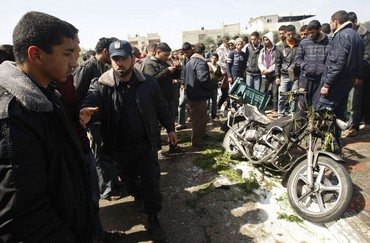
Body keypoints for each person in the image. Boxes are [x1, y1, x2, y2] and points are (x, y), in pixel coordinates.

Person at [0, 11, 94, 242]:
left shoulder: (49, 94)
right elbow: (24, 218)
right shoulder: (13, 117)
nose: (74, 63)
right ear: (36, 55)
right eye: (67, 54)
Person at [80, 39, 176, 241]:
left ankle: (153, 218)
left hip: (145, 144)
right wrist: (86, 109)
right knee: (130, 181)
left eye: (123, 58)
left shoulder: (147, 82)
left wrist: (170, 127)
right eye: (115, 59)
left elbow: (161, 107)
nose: (119, 63)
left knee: (151, 182)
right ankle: (138, 195)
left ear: (133, 59)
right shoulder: (101, 84)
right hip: (120, 147)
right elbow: (91, 97)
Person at [73, 37, 121, 201]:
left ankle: (113, 182)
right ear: (106, 51)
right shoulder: (88, 67)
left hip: (107, 118)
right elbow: (77, 93)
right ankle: (106, 189)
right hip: (94, 120)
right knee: (100, 154)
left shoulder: (106, 66)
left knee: (110, 151)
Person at [317, 10, 364, 152]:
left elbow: (338, 62)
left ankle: (328, 147)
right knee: (339, 114)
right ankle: (336, 143)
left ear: (335, 22)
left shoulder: (342, 36)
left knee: (323, 113)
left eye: (331, 22)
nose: (331, 25)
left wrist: (327, 83)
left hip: (336, 83)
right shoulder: (356, 36)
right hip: (347, 82)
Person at [141, 42, 182, 154]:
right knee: (157, 126)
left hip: (168, 98)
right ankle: (157, 149)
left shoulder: (164, 62)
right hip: (157, 101)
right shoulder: (150, 64)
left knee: (170, 123)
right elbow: (153, 80)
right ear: (158, 52)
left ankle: (173, 145)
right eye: (165, 55)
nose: (167, 57)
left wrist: (177, 69)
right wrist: (167, 71)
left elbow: (175, 76)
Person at [184, 43, 217, 146]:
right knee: (199, 119)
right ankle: (197, 141)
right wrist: (214, 83)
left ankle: (201, 135)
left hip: (192, 94)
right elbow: (203, 79)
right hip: (198, 95)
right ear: (203, 52)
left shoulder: (189, 62)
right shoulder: (200, 63)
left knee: (202, 117)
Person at [295, 20, 330, 115]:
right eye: (309, 33)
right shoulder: (304, 42)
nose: (311, 35)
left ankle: (313, 127)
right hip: (305, 79)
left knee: (318, 106)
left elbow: (330, 61)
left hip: (320, 80)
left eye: (313, 32)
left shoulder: (329, 42)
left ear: (319, 30)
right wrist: (306, 67)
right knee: (301, 104)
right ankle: (299, 125)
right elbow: (298, 59)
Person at [345, 11, 370, 137]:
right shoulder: (347, 34)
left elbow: (366, 58)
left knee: (355, 101)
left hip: (358, 74)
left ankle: (353, 126)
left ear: (355, 22)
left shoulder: (365, 35)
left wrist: (359, 75)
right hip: (347, 74)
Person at [275, 24, 300, 118]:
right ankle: (280, 115)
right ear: (285, 34)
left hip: (296, 76)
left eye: (292, 34)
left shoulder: (299, 44)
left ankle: (292, 114)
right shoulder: (280, 47)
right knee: (281, 96)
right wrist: (277, 77)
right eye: (288, 34)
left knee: (294, 96)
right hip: (284, 75)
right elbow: (277, 63)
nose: (290, 36)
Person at [258, 32, 278, 117]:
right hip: (264, 74)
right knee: (262, 92)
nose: (265, 41)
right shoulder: (262, 50)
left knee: (275, 93)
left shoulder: (276, 50)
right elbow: (260, 62)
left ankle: (275, 109)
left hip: (273, 74)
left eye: (267, 39)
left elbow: (277, 63)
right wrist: (263, 70)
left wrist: (269, 70)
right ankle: (260, 109)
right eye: (264, 40)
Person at [208, 52, 224, 120]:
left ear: (217, 59)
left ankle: (213, 115)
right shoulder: (207, 65)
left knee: (214, 101)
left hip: (214, 85)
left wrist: (220, 81)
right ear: (210, 59)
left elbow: (220, 76)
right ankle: (207, 115)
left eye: (215, 58)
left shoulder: (218, 67)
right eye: (213, 58)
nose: (214, 60)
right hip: (208, 85)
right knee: (207, 102)